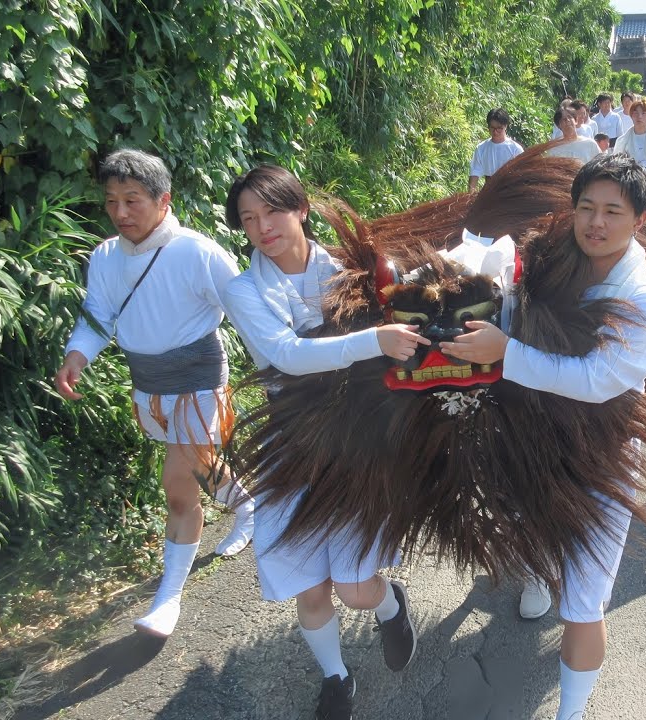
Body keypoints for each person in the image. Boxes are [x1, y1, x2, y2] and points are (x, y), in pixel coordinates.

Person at [440, 153, 646, 720]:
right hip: (538, 434)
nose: (596, 222)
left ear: (640, 219)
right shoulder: (557, 260)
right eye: (586, 208)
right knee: (527, 522)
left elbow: (597, 382)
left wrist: (506, 356)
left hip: (604, 453)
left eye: (613, 212)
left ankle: (570, 712)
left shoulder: (644, 298)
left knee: (584, 600)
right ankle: (535, 574)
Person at [219, 166, 425, 718]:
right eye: (248, 219)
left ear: (301, 208)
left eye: (272, 212)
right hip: (292, 445)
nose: (262, 227)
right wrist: (372, 340)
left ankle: (389, 604)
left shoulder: (351, 267)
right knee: (310, 588)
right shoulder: (243, 290)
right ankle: (337, 677)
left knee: (356, 586)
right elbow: (287, 356)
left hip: (355, 441)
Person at [54, 148, 254, 638]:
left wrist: (282, 364)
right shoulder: (104, 256)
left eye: (133, 200)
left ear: (163, 201)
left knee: (177, 485)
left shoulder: (197, 251)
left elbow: (248, 308)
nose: (121, 213)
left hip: (199, 381)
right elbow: (97, 316)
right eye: (112, 201)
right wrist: (76, 356)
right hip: (148, 386)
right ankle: (251, 504)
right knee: (198, 459)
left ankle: (168, 599)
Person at [468, 108, 524, 192]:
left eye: (499, 128)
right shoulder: (481, 148)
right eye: (492, 128)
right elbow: (474, 174)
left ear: (505, 126)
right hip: (489, 193)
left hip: (510, 193)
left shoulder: (515, 149)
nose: (495, 131)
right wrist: (470, 197)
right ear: (488, 127)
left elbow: (522, 175)